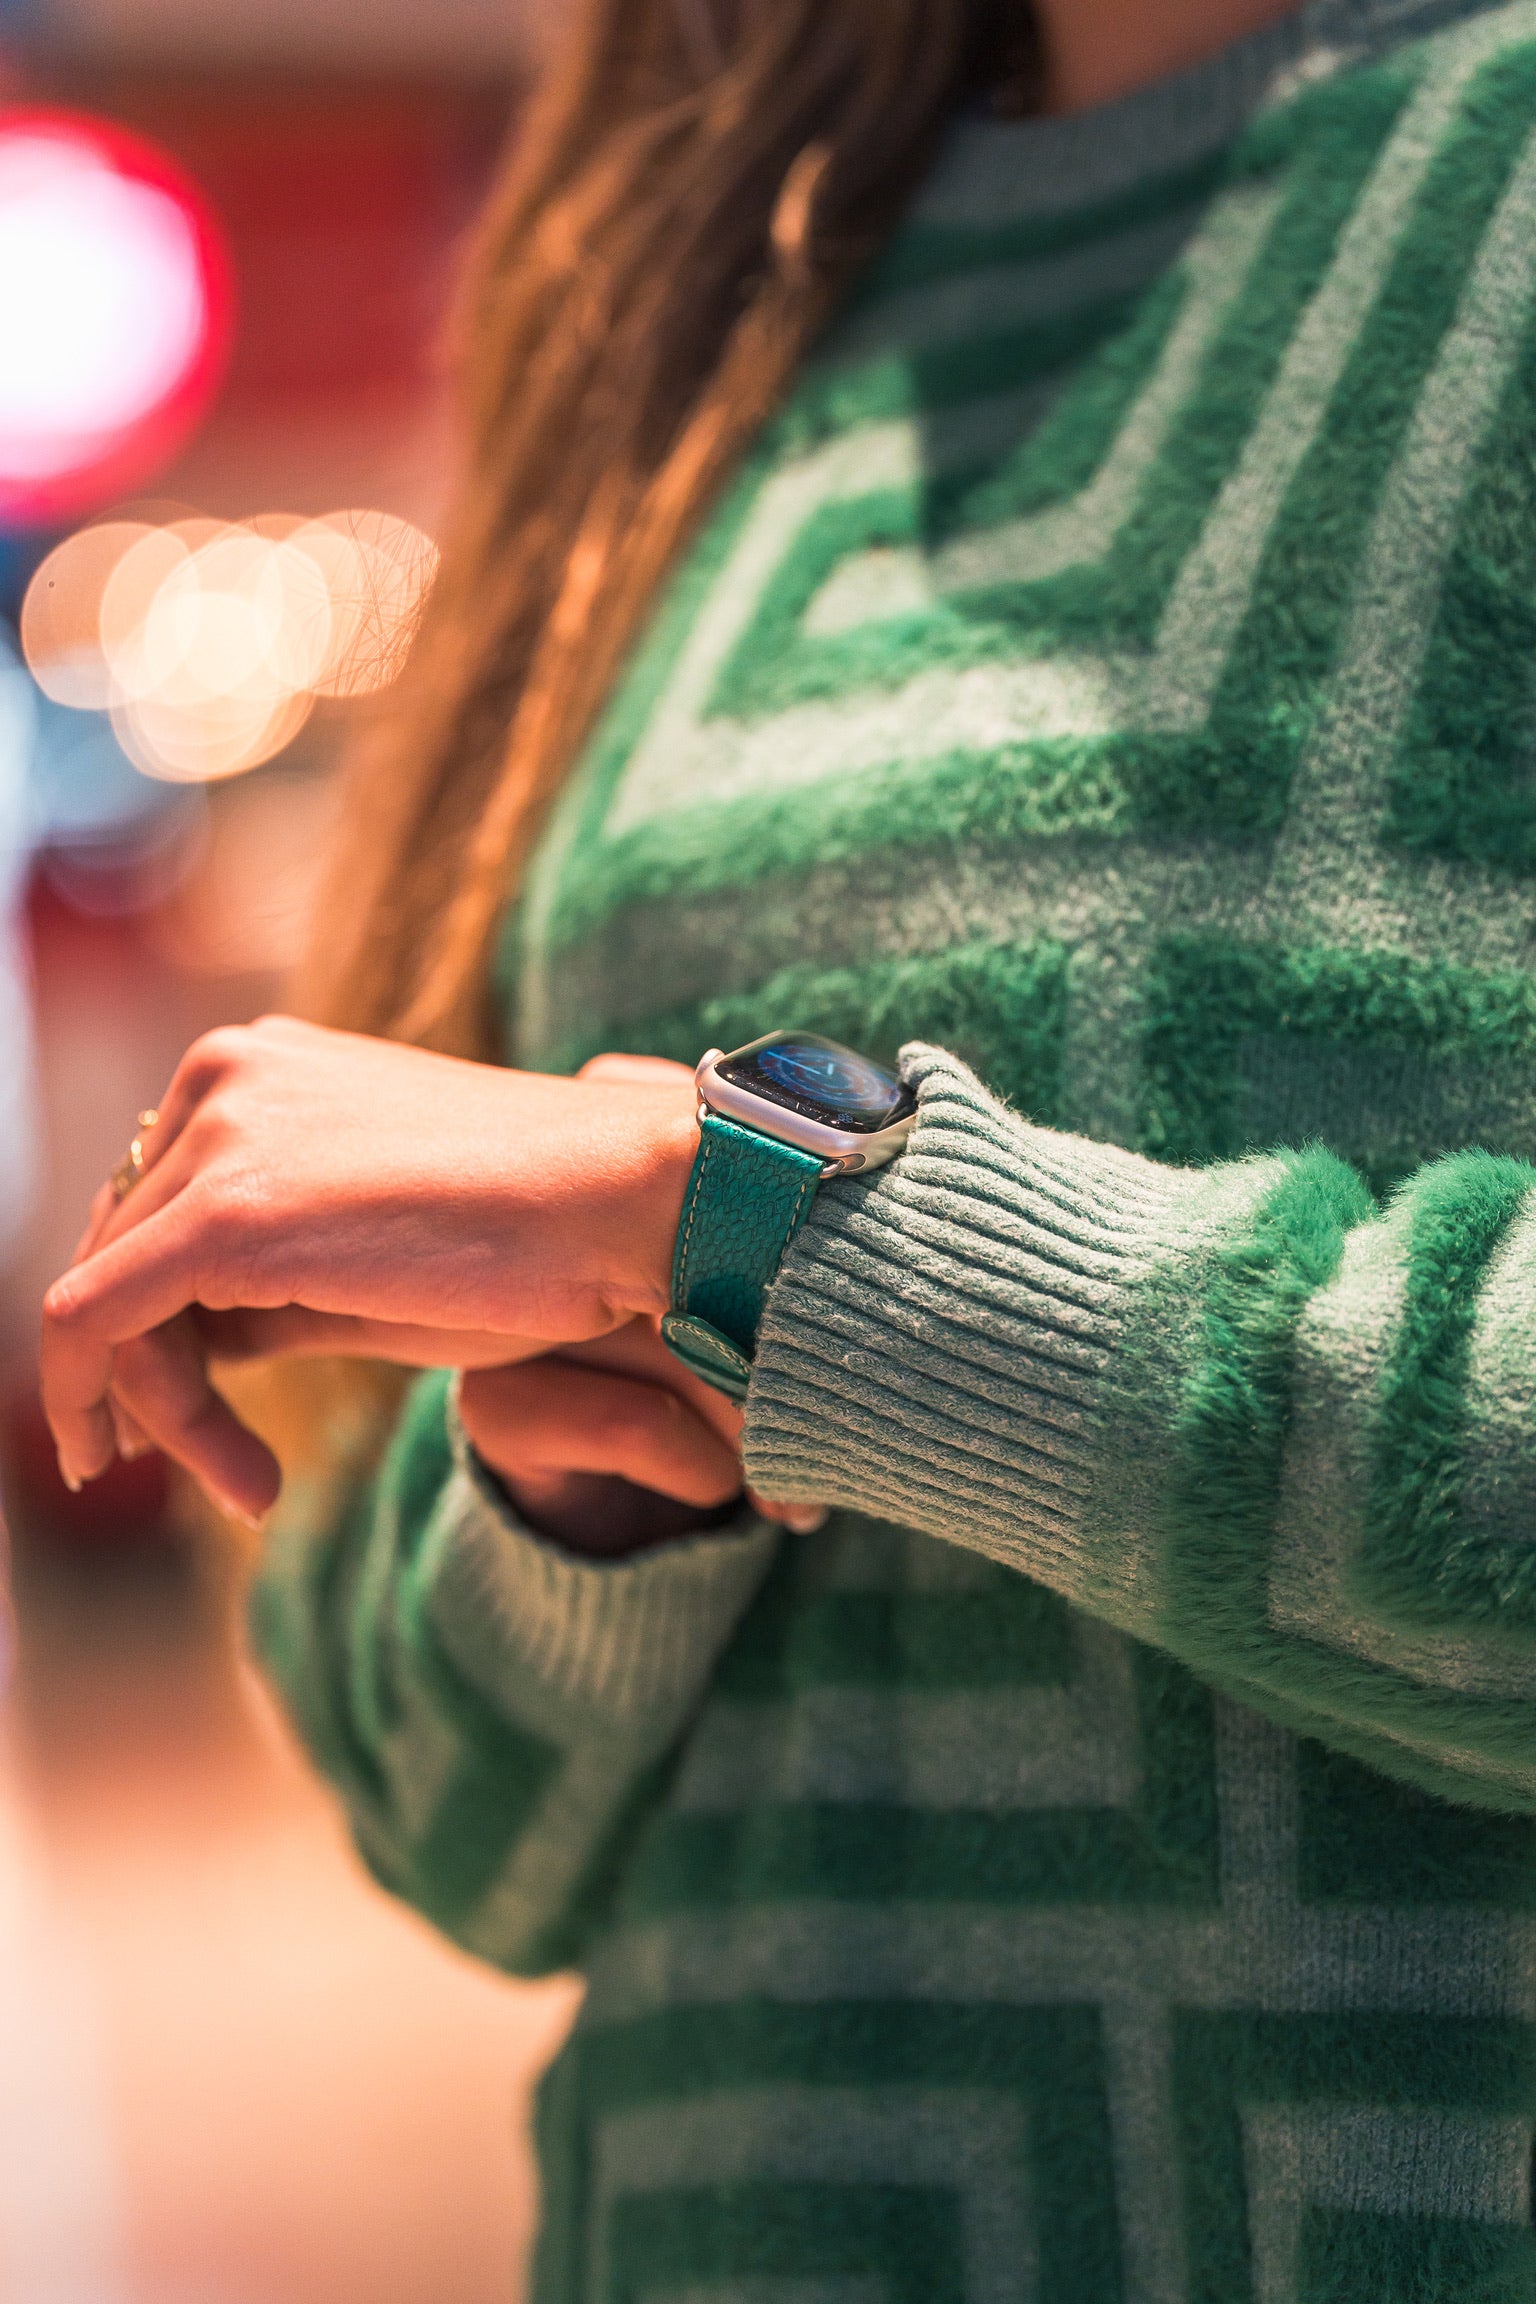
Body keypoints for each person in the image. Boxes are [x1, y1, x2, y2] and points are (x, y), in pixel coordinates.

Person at [41, 0, 1536, 2291]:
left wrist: (743, 1234)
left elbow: (731, 1239)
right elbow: (455, 1835)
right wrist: (576, 1504)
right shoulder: (700, 280)